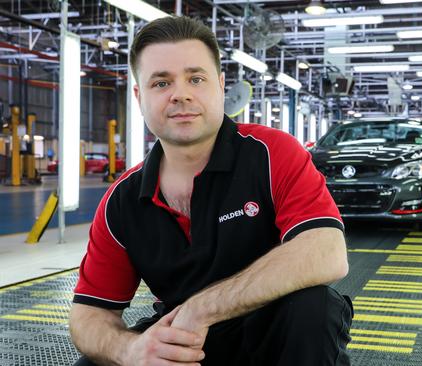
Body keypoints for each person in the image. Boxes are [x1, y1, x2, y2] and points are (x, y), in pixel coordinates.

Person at [69, 16, 352, 366]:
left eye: (196, 78)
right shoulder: (121, 201)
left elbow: (326, 250)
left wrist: (201, 308)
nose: (181, 93)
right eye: (161, 83)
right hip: (188, 344)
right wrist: (130, 350)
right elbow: (88, 315)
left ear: (220, 86)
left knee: (314, 307)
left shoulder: (271, 153)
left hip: (275, 338)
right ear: (140, 97)